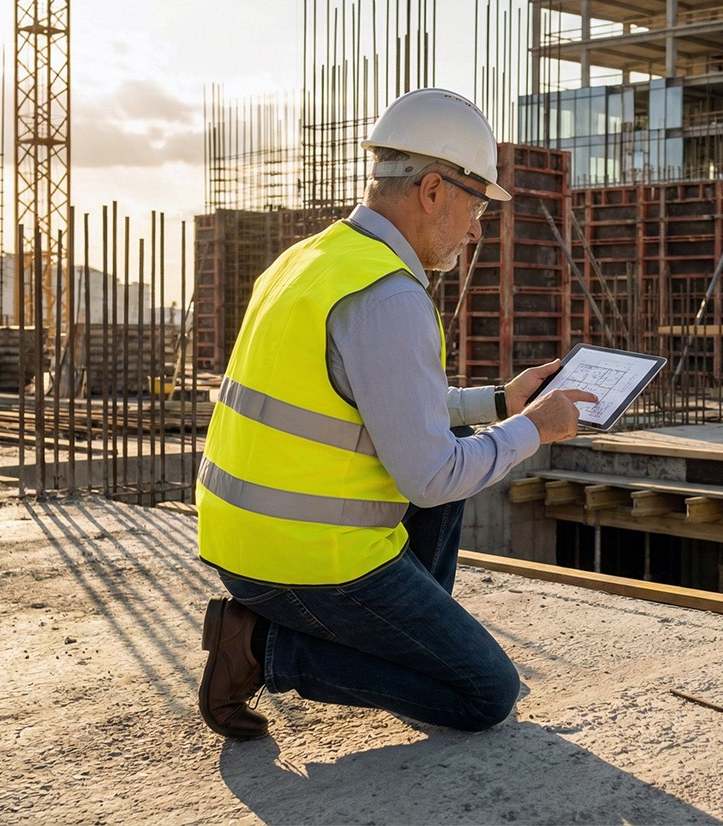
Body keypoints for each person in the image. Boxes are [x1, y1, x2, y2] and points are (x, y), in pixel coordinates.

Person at [195, 88, 597, 740]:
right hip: (306, 562)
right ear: (433, 190)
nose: (476, 229)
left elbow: (385, 411)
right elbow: (431, 477)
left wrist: (501, 402)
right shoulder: (388, 295)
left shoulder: (311, 260)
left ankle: (404, 637)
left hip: (240, 544)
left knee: (463, 434)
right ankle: (263, 649)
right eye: (474, 204)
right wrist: (535, 429)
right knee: (483, 692)